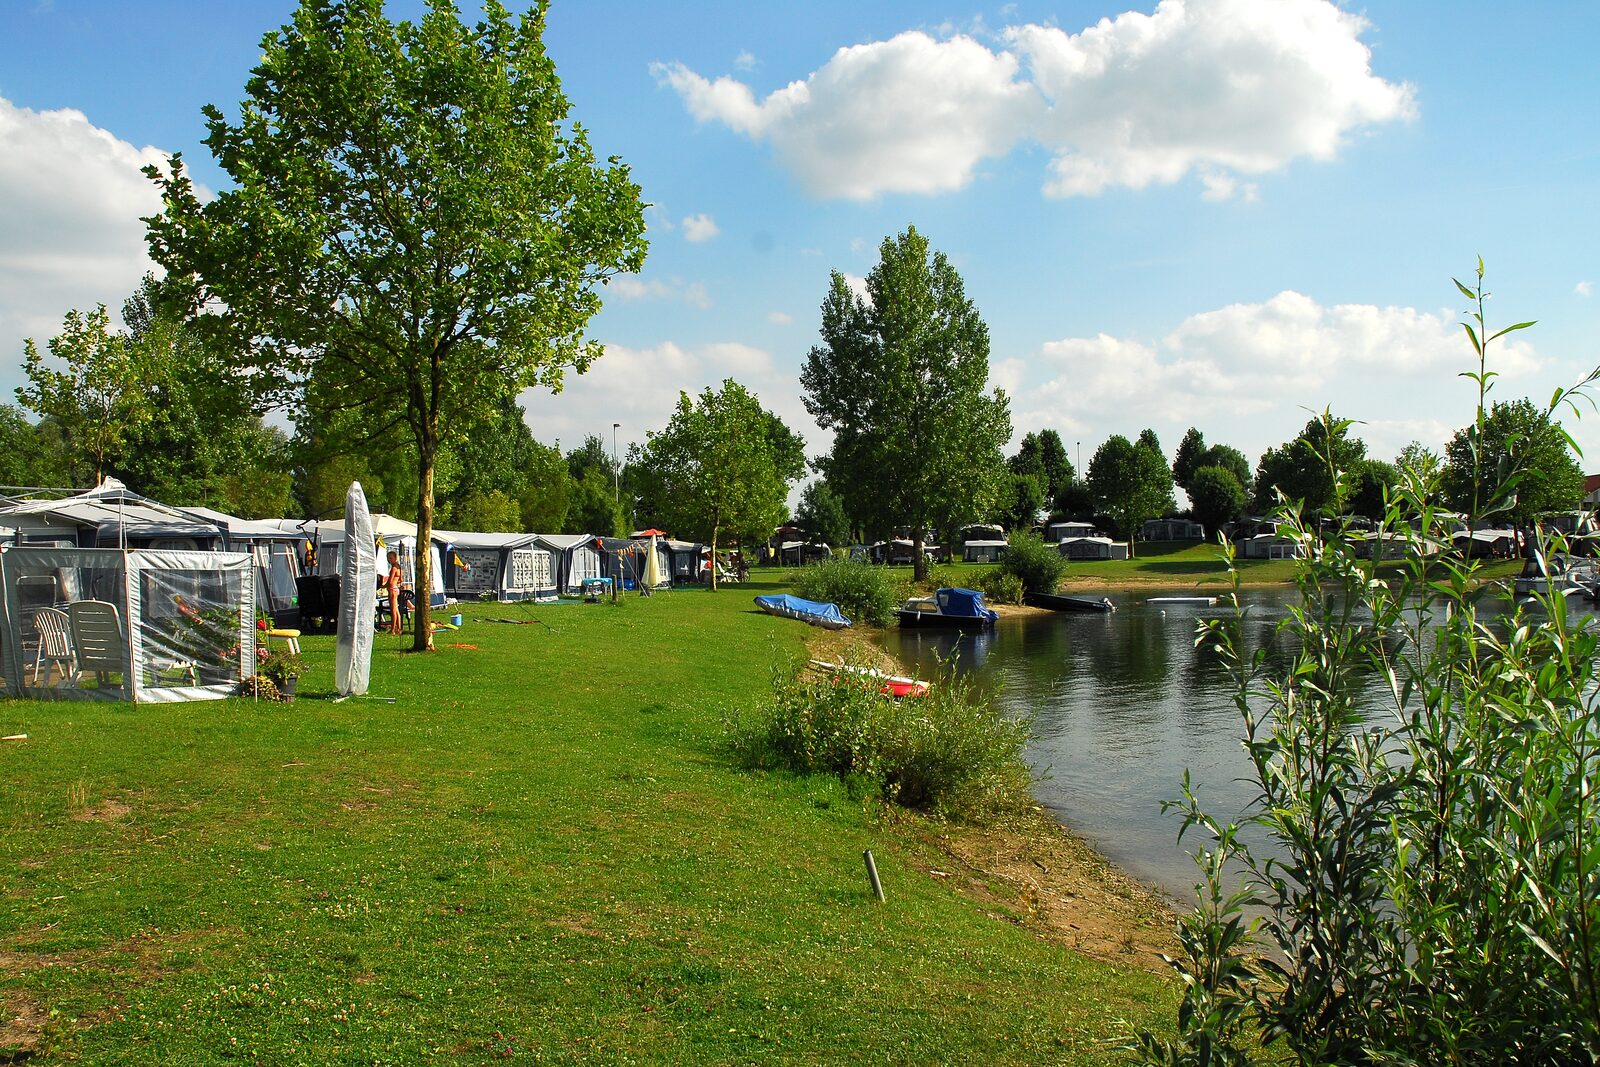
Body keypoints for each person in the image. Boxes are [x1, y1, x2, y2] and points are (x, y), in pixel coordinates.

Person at [384, 549, 405, 635]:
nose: (389, 560)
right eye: (388, 558)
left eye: (390, 558)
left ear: (395, 558)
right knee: (396, 610)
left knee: (393, 610)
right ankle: (398, 628)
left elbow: (389, 581)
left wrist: (382, 586)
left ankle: (393, 629)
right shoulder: (399, 567)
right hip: (396, 588)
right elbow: (401, 579)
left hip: (392, 589)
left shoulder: (394, 568)